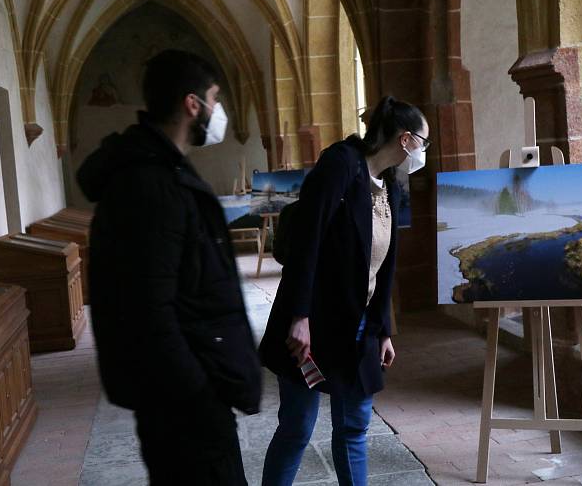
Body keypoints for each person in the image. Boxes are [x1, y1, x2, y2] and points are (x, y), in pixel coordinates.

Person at [77, 49, 261, 486]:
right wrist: (198, 391)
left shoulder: (158, 173)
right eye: (215, 99)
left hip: (183, 398)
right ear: (191, 104)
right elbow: (147, 310)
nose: (219, 112)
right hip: (182, 405)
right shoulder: (149, 185)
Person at [259, 95, 430, 486]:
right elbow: (307, 243)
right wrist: (299, 318)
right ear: (405, 140)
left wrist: (383, 328)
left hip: (359, 327)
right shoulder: (340, 164)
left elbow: (385, 267)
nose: (424, 151)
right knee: (297, 428)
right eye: (424, 141)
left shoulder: (391, 184)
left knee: (354, 429)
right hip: (314, 323)